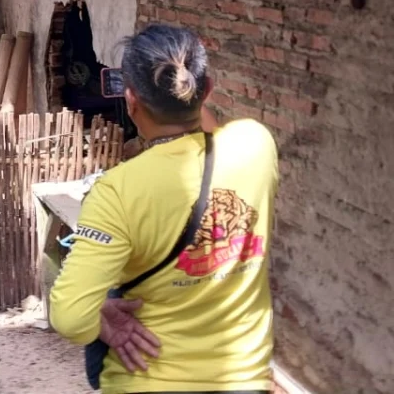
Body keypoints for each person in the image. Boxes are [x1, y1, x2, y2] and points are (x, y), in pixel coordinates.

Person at [49, 24, 278, 393]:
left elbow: (72, 319)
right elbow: (207, 131)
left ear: (130, 101)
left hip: (148, 380)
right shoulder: (255, 144)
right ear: (206, 90)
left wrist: (103, 322)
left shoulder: (116, 193)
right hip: (244, 381)